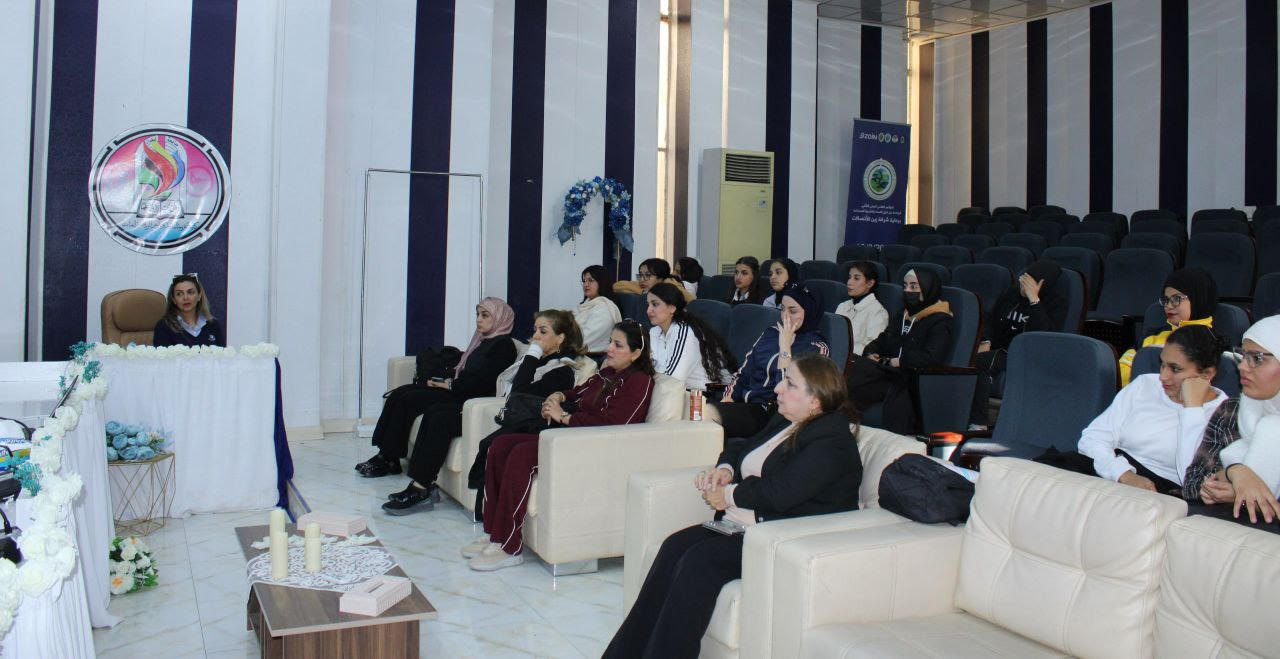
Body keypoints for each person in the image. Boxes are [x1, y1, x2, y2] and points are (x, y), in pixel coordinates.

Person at [603, 354, 862, 658]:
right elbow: (740, 446)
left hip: (779, 539)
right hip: (742, 526)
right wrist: (726, 469)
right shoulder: (788, 420)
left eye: (790, 384)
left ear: (815, 401)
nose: (778, 388)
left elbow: (781, 493)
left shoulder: (832, 442)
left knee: (698, 562)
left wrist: (728, 495)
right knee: (674, 547)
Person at [462, 320, 655, 571]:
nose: (609, 349)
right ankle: (494, 534)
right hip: (568, 437)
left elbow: (615, 424)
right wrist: (559, 396)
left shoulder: (639, 381)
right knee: (499, 445)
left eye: (618, 345)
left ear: (636, 353)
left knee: (521, 455)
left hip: (590, 445)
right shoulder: (607, 373)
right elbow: (579, 392)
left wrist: (564, 417)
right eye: (610, 342)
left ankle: (509, 548)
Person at [382, 309, 589, 514]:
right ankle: (420, 485)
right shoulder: (540, 359)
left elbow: (520, 395)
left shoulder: (562, 369)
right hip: (497, 407)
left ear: (561, 338)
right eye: (535, 330)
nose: (535, 336)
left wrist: (532, 355)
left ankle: (420, 490)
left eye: (543, 331)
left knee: (441, 419)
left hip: (513, 420)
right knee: (435, 411)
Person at [355, 298, 517, 478]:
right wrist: (446, 381)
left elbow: (484, 382)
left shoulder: (504, 346)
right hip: (457, 389)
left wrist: (449, 385)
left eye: (485, 315)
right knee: (400, 393)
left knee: (409, 399)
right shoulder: (482, 340)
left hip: (467, 398)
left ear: (500, 318)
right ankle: (385, 455)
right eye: (477, 315)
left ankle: (388, 458)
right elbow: (465, 371)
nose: (478, 320)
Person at [1077, 325, 1227, 496]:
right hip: (1111, 470)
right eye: (1162, 364)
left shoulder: (1224, 414)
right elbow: (1092, 439)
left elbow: (1192, 479)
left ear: (1207, 374)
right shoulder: (1145, 384)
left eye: (1175, 369)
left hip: (1160, 491)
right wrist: (1123, 474)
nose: (1163, 376)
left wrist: (1192, 409)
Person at [705, 283, 829, 440]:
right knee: (693, 408)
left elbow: (787, 392)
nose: (785, 316)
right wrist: (728, 398)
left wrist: (785, 347)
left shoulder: (816, 348)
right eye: (782, 309)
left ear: (810, 312)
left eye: (793, 311)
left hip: (771, 413)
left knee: (705, 413)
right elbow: (744, 372)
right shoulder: (771, 333)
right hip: (743, 404)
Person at [1194, 316, 1280, 531]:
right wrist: (1236, 472)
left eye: (1257, 358)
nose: (1242, 366)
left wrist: (1244, 493)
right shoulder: (1241, 411)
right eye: (1243, 355)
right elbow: (1194, 480)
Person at [846, 268, 954, 434]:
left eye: (913, 286)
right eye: (905, 286)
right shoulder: (903, 314)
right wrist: (871, 352)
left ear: (928, 289)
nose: (907, 291)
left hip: (910, 379)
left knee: (856, 375)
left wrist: (899, 361)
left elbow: (931, 357)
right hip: (887, 371)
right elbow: (883, 339)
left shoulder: (940, 320)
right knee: (853, 363)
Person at [968, 261, 1069, 429]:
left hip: (1028, 354)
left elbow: (1047, 337)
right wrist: (986, 341)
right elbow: (990, 321)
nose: (1023, 286)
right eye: (1023, 280)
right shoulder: (1011, 294)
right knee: (969, 355)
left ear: (1042, 284)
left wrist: (1034, 301)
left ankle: (978, 423)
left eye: (1030, 283)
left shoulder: (1056, 303)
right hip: (1001, 348)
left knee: (981, 362)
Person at [1119, 267, 1218, 386]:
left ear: (1198, 299)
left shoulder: (1212, 344)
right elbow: (1120, 371)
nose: (1168, 306)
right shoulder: (1154, 336)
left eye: (1176, 299)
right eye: (1166, 300)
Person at [646, 283, 736, 391]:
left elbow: (673, 378)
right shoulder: (654, 332)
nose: (648, 310)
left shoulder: (685, 332)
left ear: (672, 308)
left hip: (706, 394)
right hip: (676, 391)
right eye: (648, 304)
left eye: (655, 304)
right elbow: (647, 368)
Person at [152, 274, 225, 347]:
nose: (185, 297)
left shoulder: (213, 324)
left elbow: (222, 353)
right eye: (179, 294)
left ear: (199, 296)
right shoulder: (164, 327)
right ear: (174, 299)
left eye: (190, 292)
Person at [833, 261, 888, 356]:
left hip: (856, 360)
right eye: (849, 277)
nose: (849, 282)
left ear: (870, 283)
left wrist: (841, 348)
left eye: (856, 278)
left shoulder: (878, 312)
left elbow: (871, 350)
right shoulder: (842, 306)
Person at [574, 265, 622, 353]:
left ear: (602, 282)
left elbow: (583, 340)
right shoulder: (585, 305)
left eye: (591, 280)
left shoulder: (605, 309)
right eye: (584, 281)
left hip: (590, 356)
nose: (586, 284)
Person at [613, 258, 694, 302]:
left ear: (661, 278)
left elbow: (693, 301)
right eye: (640, 275)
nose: (642, 279)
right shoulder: (642, 285)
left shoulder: (671, 284)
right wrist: (644, 292)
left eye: (648, 275)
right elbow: (616, 286)